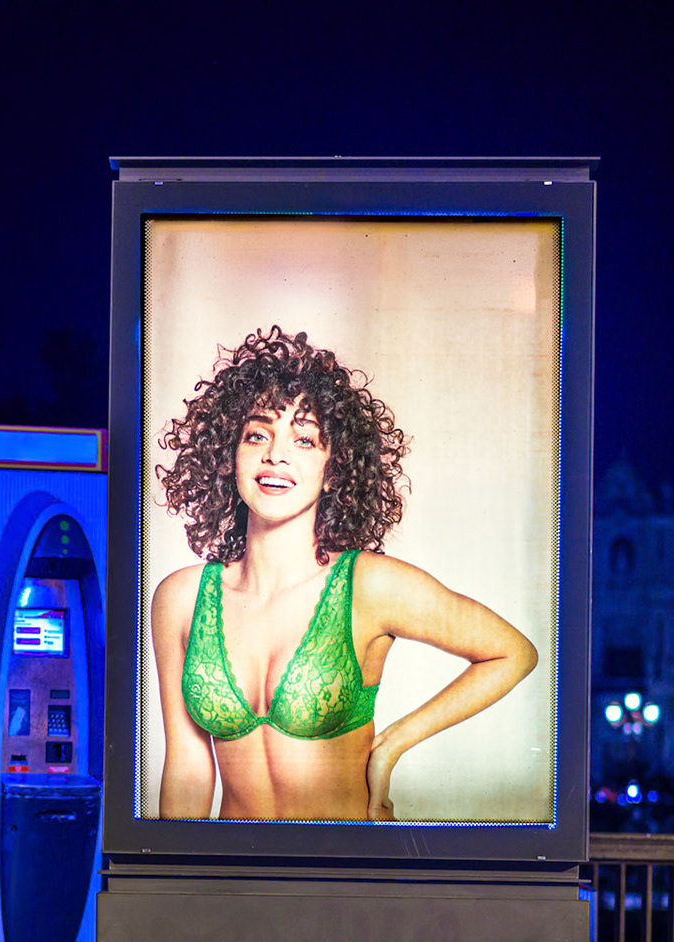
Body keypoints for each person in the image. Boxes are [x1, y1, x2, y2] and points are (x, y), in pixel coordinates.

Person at [149, 326, 538, 821]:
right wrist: (176, 887)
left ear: (335, 469)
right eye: (257, 435)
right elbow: (187, 768)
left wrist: (392, 744)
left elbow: (513, 652)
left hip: (344, 881)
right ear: (231, 454)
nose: (276, 454)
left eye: (305, 439)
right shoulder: (181, 599)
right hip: (233, 881)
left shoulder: (369, 587)